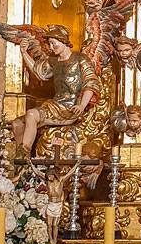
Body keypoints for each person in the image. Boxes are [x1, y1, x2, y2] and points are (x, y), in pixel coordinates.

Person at [12, 26, 98, 155]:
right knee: (17, 123)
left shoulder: (80, 59)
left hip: (70, 107)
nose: (51, 47)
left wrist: (81, 105)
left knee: (31, 115)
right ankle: (21, 161)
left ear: (62, 40)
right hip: (55, 105)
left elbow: (91, 83)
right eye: (49, 44)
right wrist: (24, 53)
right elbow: (39, 72)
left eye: (53, 43)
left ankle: (24, 154)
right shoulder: (53, 61)